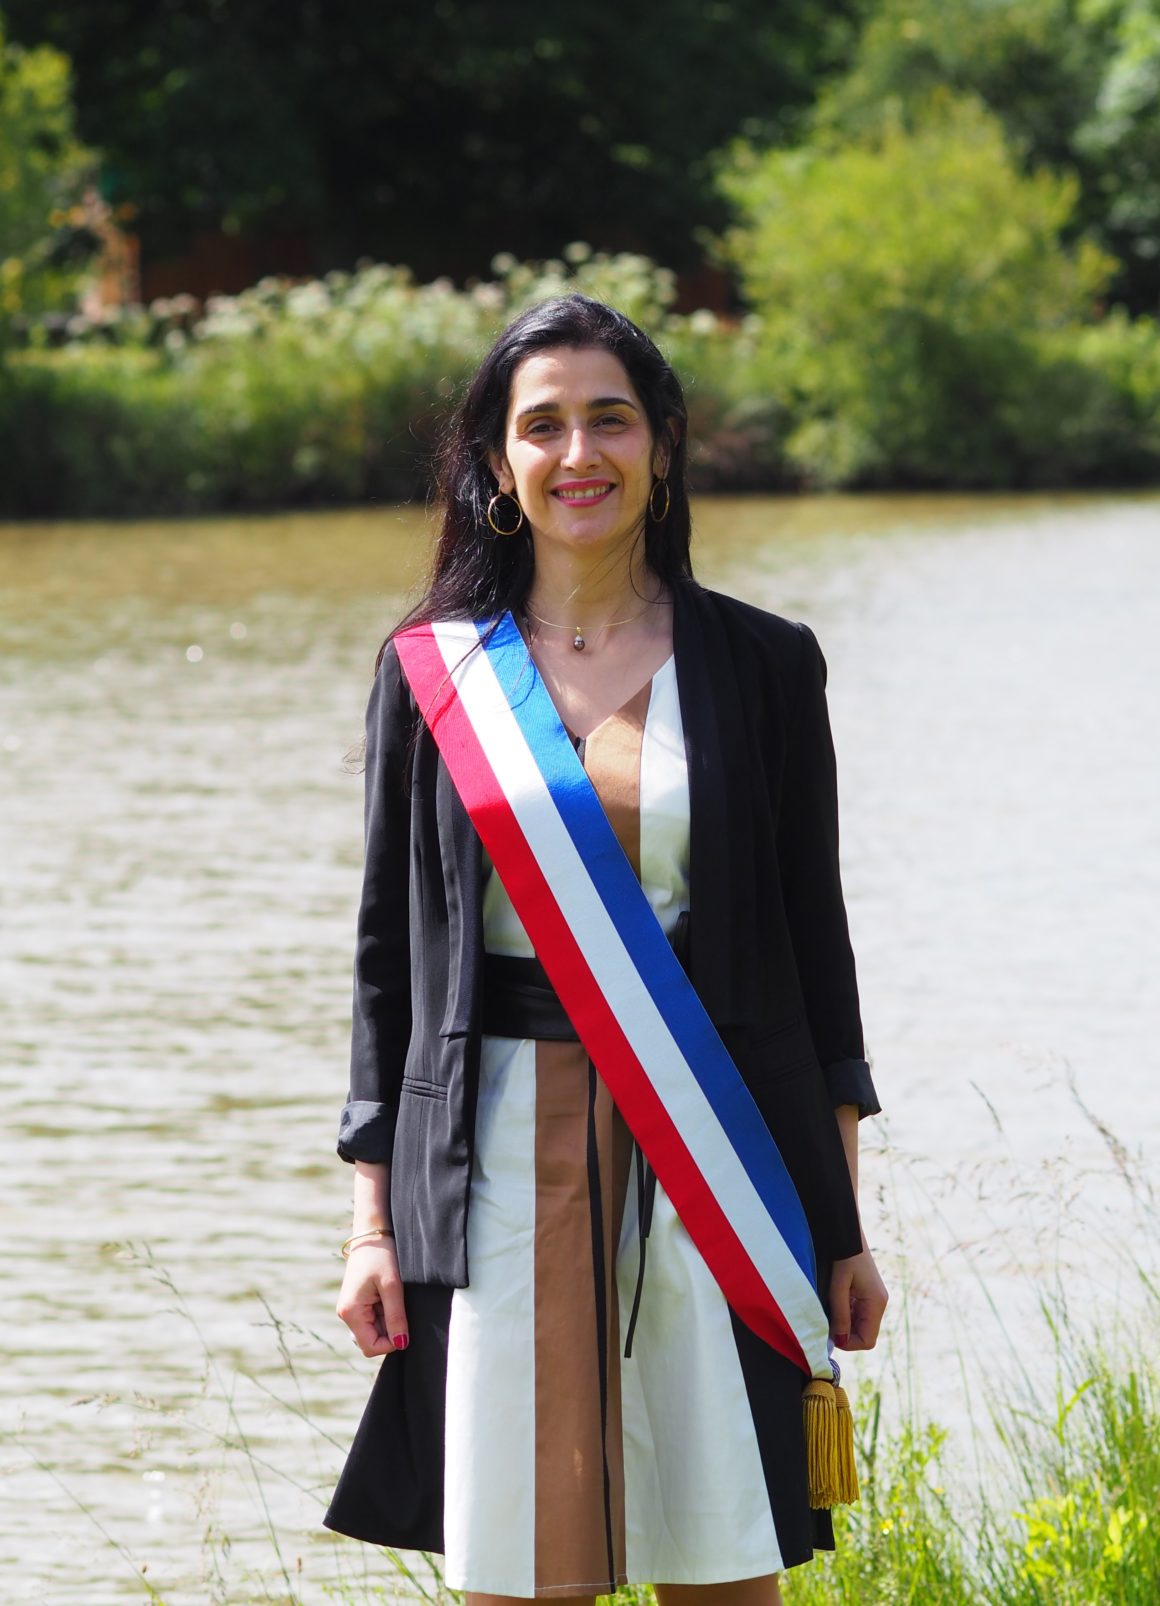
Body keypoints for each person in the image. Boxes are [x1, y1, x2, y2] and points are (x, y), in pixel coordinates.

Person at [324, 294, 888, 1605]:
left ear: (664, 445)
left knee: (721, 1559)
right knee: (522, 1568)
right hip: (496, 1161)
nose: (579, 453)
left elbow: (818, 956)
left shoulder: (765, 664)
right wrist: (369, 1226)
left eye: (611, 419)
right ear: (497, 460)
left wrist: (840, 1224)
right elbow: (385, 968)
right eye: (543, 426)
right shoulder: (432, 673)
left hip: (716, 1148)